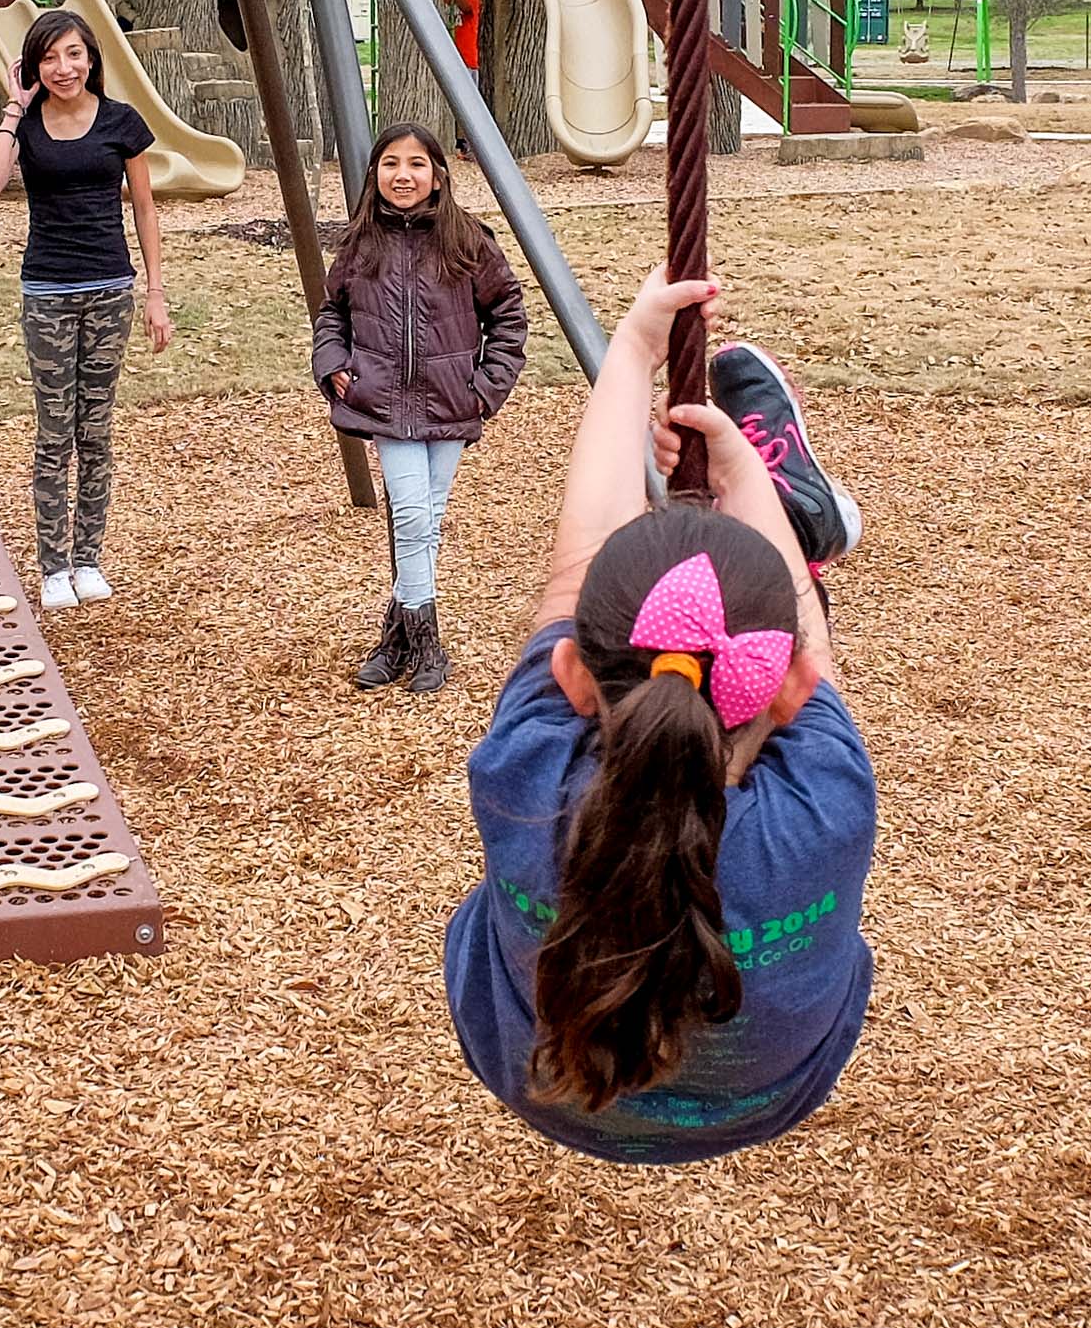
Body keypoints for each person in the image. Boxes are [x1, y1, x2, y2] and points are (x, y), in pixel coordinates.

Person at [442, 273, 877, 1166]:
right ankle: (797, 510)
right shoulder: (826, 806)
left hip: (544, 1085)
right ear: (787, 693)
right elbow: (586, 572)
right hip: (770, 1093)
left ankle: (792, 522)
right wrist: (740, 470)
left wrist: (636, 346)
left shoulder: (521, 778)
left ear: (571, 674)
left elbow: (797, 643)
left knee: (479, 917)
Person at [308, 124, 531, 693]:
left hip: (451, 401)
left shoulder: (467, 242)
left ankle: (396, 636)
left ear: (439, 175)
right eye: (389, 164)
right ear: (373, 174)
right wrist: (335, 362)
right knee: (411, 516)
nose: (402, 176)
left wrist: (485, 388)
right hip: (385, 402)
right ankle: (428, 644)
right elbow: (332, 312)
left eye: (415, 165)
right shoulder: (362, 242)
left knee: (424, 522)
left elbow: (508, 315)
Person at [0, 8, 169, 609]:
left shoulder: (121, 123)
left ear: (92, 59)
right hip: (48, 292)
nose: (64, 68)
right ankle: (53, 567)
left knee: (96, 429)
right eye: (51, 57)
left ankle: (89, 558)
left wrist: (155, 294)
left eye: (75, 55)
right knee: (54, 431)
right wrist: (13, 106)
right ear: (34, 65)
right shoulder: (25, 125)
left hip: (110, 289)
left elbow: (144, 211)